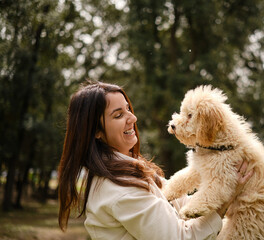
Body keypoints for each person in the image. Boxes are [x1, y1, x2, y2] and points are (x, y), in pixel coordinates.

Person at [57, 81, 253, 240]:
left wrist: (224, 185)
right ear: (96, 132)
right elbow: (180, 238)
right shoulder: (120, 190)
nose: (132, 118)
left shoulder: (127, 169)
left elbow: (180, 205)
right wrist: (225, 198)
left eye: (127, 109)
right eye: (118, 115)